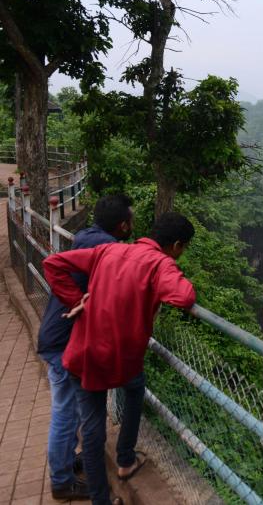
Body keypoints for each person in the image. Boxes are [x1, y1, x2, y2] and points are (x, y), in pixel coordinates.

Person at [43, 212, 197, 505]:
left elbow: (53, 263)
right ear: (177, 244)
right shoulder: (159, 263)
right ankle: (125, 458)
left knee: (92, 431)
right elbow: (183, 297)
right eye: (183, 249)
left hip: (81, 355)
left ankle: (102, 499)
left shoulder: (108, 249)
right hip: (117, 361)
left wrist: (77, 299)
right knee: (133, 388)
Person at [38, 194, 134, 501]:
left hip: (57, 333)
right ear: (123, 225)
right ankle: (62, 481)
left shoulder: (85, 236)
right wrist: (78, 303)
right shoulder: (108, 249)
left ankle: (67, 463)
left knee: (72, 410)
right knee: (66, 411)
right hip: (64, 338)